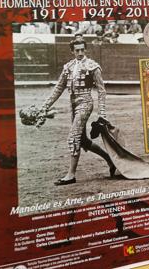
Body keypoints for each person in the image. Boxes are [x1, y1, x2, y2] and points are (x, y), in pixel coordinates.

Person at [41, 36, 116, 185]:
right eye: (77, 50)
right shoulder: (68, 66)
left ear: (85, 49)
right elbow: (58, 88)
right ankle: (110, 159)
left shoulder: (92, 66)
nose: (80, 53)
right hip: (73, 104)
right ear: (72, 51)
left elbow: (101, 91)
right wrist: (45, 106)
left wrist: (102, 113)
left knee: (73, 137)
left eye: (82, 49)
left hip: (86, 103)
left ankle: (71, 175)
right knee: (82, 140)